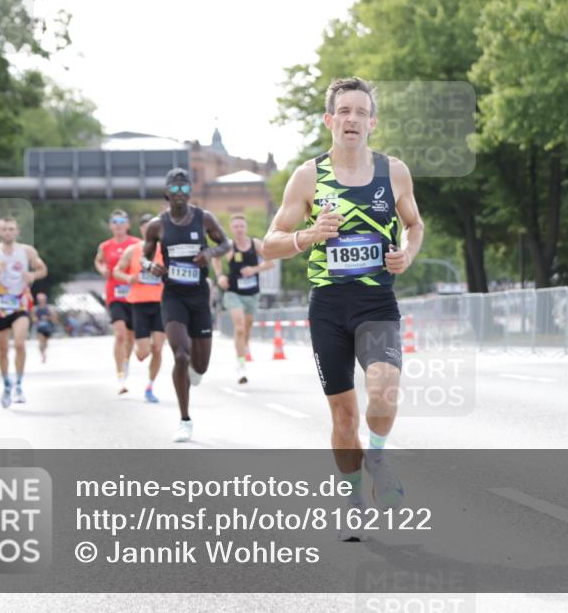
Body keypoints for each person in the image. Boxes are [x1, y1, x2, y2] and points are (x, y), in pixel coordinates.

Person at [262, 77, 424, 540]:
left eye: (361, 112)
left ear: (372, 123)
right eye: (345, 111)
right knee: (343, 418)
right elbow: (270, 243)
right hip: (329, 308)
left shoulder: (393, 172)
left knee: (384, 390)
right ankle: (353, 501)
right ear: (329, 120)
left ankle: (378, 456)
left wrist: (407, 254)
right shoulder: (308, 176)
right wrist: (309, 235)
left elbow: (414, 225)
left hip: (376, 301)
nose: (353, 119)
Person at [141, 168, 230, 442]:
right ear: (167, 193)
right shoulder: (157, 225)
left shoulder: (204, 218)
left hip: (199, 296)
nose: (180, 193)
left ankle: (194, 370)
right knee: (181, 354)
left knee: (200, 367)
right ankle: (185, 420)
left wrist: (210, 252)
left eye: (184, 188)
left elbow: (225, 244)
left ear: (190, 191)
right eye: (175, 188)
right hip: (173, 296)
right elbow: (144, 258)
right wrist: (151, 266)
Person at [0, 215, 48, 407]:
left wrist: (32, 275)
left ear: (17, 231)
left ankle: (19, 385)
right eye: (4, 229)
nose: (8, 232)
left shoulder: (27, 251)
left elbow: (43, 270)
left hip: (20, 304)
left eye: (11, 229)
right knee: (2, 351)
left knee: (19, 343)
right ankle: (7, 384)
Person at [113, 213, 166, 403]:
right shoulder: (133, 250)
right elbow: (116, 271)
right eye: (146, 226)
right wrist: (128, 278)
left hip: (161, 303)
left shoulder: (165, 249)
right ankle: (128, 358)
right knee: (143, 353)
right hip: (139, 304)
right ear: (142, 230)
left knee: (158, 348)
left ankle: (150, 387)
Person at [216, 214, 275, 384]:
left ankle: (242, 352)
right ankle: (241, 364)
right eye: (236, 226)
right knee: (240, 328)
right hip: (233, 292)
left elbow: (270, 262)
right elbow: (215, 258)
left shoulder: (255, 244)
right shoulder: (228, 246)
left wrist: (254, 269)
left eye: (241, 226)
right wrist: (220, 276)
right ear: (231, 228)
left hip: (252, 294)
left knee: (247, 329)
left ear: (246, 227)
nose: (239, 229)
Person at [94, 209, 140, 394]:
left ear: (128, 225)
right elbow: (98, 261)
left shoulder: (136, 244)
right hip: (115, 294)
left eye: (122, 221)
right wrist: (102, 269)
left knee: (130, 336)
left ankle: (126, 362)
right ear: (110, 225)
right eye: (115, 222)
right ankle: (120, 375)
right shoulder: (105, 246)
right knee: (120, 334)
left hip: (134, 294)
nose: (118, 225)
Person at [33, 293, 57, 363]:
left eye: (43, 299)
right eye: (40, 299)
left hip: (48, 327)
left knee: (45, 342)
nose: (42, 301)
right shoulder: (35, 308)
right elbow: (33, 318)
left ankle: (44, 352)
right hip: (39, 327)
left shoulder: (49, 308)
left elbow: (54, 318)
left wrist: (48, 318)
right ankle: (43, 355)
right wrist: (36, 319)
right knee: (41, 341)